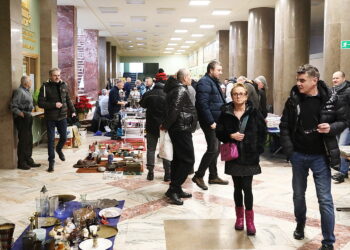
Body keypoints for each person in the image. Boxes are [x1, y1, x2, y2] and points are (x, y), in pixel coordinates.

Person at [279, 64, 347, 250]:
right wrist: (290, 152)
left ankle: (328, 242)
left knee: (325, 199)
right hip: (299, 155)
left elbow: (344, 121)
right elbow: (284, 126)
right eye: (298, 80)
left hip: (321, 157)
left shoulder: (330, 99)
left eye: (302, 80)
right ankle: (300, 224)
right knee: (298, 196)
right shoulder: (293, 100)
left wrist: (331, 128)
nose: (298, 84)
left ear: (314, 80)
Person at [216, 82, 266, 235]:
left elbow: (262, 132)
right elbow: (219, 132)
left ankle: (250, 220)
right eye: (235, 94)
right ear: (231, 96)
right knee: (237, 188)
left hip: (250, 155)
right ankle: (239, 218)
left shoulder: (254, 112)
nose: (238, 96)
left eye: (241, 94)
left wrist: (258, 149)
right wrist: (230, 135)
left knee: (247, 188)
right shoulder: (225, 113)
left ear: (246, 96)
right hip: (234, 155)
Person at [162, 72, 197, 205]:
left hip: (179, 128)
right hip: (181, 128)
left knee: (178, 159)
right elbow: (174, 110)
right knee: (188, 160)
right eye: (189, 76)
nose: (191, 78)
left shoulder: (176, 89)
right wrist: (165, 125)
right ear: (184, 78)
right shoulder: (180, 89)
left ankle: (175, 188)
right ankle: (174, 189)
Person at [192, 60, 228, 190]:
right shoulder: (204, 82)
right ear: (211, 70)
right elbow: (202, 105)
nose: (220, 72)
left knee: (216, 149)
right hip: (210, 122)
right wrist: (211, 122)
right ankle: (199, 175)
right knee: (213, 148)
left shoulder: (212, 82)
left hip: (216, 121)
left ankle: (213, 176)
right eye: (218, 70)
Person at [38, 68, 76, 172]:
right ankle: (51, 162)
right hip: (50, 117)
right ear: (50, 76)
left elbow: (67, 99)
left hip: (62, 117)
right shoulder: (45, 87)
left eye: (59, 75)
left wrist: (73, 110)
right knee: (50, 141)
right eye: (55, 75)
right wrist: (54, 105)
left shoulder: (64, 85)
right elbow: (40, 103)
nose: (57, 77)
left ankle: (59, 149)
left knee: (63, 137)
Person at [139, 81, 171, 182]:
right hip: (164, 126)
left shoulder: (148, 93)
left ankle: (150, 173)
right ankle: (167, 174)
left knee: (151, 150)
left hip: (151, 126)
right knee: (165, 150)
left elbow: (142, 105)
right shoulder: (168, 94)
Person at [11, 75, 41, 170]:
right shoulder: (19, 92)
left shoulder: (27, 91)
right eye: (30, 81)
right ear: (26, 83)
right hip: (22, 119)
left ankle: (28, 160)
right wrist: (21, 114)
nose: (31, 83)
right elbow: (12, 106)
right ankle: (21, 162)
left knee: (29, 140)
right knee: (24, 140)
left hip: (28, 117)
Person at [330, 71, 350, 183]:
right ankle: (343, 171)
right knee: (339, 148)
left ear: (343, 78)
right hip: (336, 125)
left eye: (337, 78)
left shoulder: (348, 90)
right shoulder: (333, 91)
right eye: (333, 78)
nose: (334, 80)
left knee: (342, 147)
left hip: (346, 125)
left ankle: (342, 173)